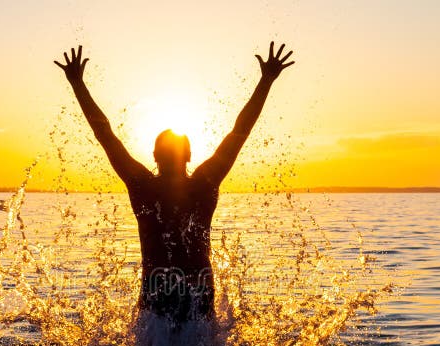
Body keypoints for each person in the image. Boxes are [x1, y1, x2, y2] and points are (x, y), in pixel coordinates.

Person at [55, 42, 294, 323]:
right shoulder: (204, 183)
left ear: (154, 156)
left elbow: (105, 133)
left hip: (157, 285)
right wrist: (266, 81)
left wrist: (78, 84)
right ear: (189, 155)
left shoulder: (142, 186)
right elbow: (239, 132)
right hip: (198, 285)